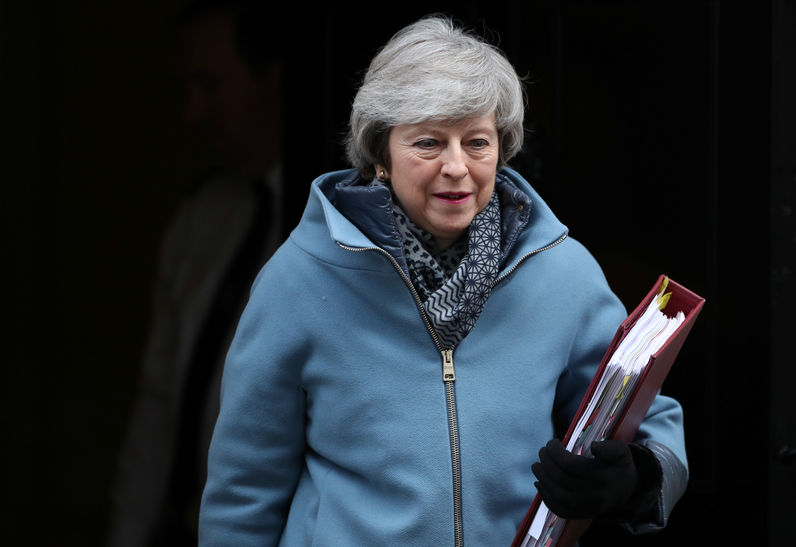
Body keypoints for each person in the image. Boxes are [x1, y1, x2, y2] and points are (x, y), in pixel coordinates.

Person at [198, 15, 688, 546]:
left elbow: (646, 416)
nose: (457, 166)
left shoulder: (561, 272)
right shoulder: (298, 279)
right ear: (380, 156)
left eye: (477, 142)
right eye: (429, 143)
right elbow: (243, 493)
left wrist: (634, 478)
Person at [107, 1, 290, 546]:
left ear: (275, 80)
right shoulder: (203, 219)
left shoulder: (352, 228)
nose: (192, 115)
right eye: (187, 89)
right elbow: (159, 402)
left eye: (210, 87)